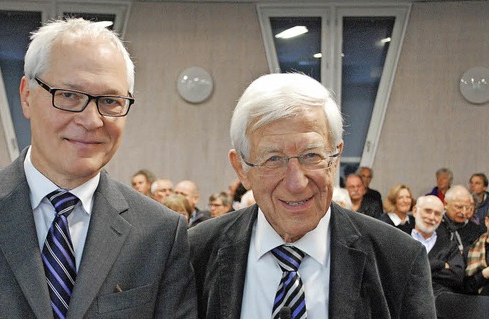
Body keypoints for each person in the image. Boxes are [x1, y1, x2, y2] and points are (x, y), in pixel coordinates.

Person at [0, 18, 196, 318]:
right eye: (69, 95)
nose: (91, 120)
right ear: (27, 96)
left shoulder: (159, 233)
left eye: (110, 100)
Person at [189, 73, 435, 318]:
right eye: (273, 159)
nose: (296, 183)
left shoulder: (398, 259)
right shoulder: (196, 252)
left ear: (335, 158)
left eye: (311, 155)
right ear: (241, 168)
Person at [411, 195, 464, 297]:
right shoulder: (401, 241)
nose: (432, 217)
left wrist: (418, 270)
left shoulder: (450, 247)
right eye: (428, 211)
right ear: (414, 211)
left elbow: (457, 277)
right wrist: (439, 264)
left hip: (440, 308)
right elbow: (399, 274)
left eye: (437, 214)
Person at [438, 185, 484, 256]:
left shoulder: (476, 230)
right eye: (459, 207)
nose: (464, 212)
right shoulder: (434, 226)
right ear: (445, 204)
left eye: (467, 207)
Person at [463, 215, 489, 294]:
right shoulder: (470, 251)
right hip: (478, 302)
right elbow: (465, 287)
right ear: (487, 221)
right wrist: (484, 274)